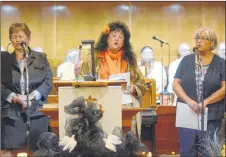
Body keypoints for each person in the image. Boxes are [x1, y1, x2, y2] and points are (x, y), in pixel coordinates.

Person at [79, 21, 147, 137]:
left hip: (124, 104)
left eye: (120, 37)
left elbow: (142, 83)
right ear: (107, 38)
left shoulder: (129, 58)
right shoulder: (94, 56)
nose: (117, 39)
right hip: (100, 102)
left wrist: (134, 88)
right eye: (114, 36)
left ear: (124, 41)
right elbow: (82, 77)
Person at [1, 22, 53, 156]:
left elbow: (47, 82)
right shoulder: (3, 60)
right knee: (11, 149)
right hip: (12, 110)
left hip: (36, 109)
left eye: (21, 36)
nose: (18, 39)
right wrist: (13, 96)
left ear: (29, 38)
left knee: (38, 149)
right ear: (10, 40)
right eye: (14, 36)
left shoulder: (41, 58)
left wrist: (32, 96)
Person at [173, 27, 225, 157]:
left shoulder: (221, 63)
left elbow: (224, 88)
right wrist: (189, 101)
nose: (198, 41)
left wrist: (206, 101)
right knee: (186, 151)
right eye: (197, 38)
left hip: (211, 115)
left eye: (203, 38)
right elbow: (176, 84)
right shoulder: (186, 60)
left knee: (209, 152)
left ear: (212, 43)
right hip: (187, 112)